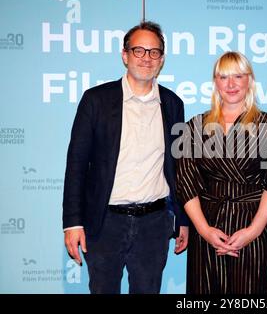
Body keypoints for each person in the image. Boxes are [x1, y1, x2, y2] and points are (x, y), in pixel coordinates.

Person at [62, 21, 189, 294]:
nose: (146, 58)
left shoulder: (173, 104)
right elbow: (76, 165)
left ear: (162, 59)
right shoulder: (96, 100)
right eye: (139, 50)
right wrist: (73, 222)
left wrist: (182, 219)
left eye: (154, 52)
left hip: (154, 225)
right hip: (105, 223)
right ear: (125, 55)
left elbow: (178, 168)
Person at [175, 51, 267, 294]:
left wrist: (252, 231)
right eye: (223, 77)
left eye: (238, 75)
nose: (231, 84)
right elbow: (185, 182)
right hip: (207, 229)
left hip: (254, 230)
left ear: (249, 80)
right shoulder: (195, 126)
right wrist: (204, 231)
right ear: (215, 82)